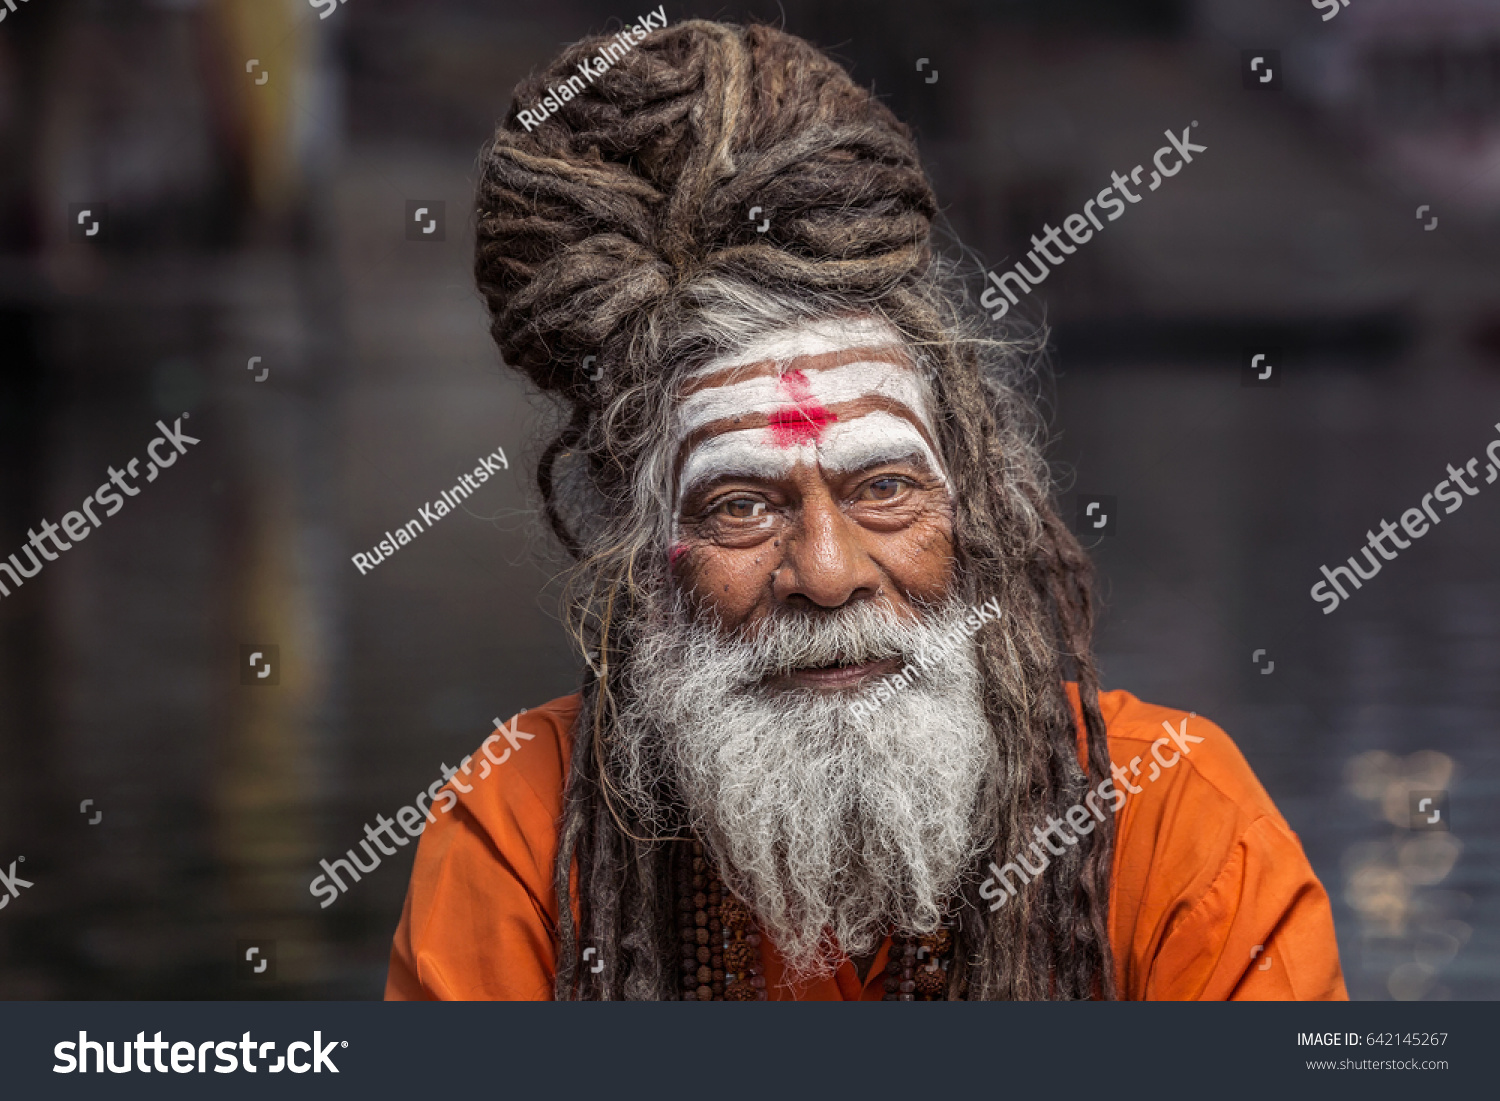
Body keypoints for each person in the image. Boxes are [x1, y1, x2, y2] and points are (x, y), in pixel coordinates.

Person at [385, 18, 1345, 1001]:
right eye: (742, 506)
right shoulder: (517, 838)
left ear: (976, 510)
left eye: (883, 488)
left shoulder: (1173, 821)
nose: (831, 574)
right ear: (644, 555)